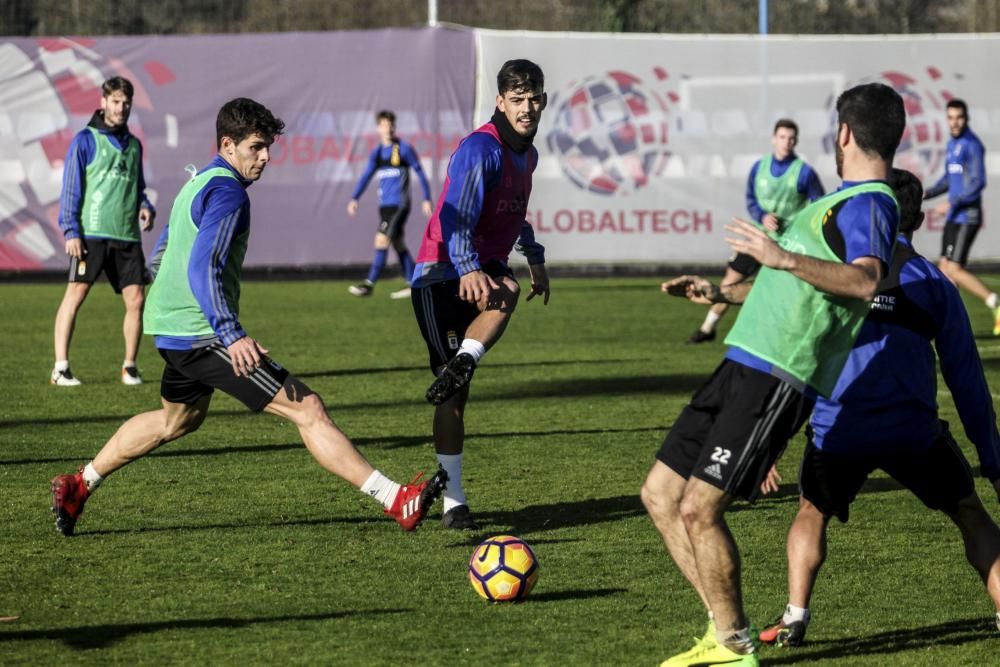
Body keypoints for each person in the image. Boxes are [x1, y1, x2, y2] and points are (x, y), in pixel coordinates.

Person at [49, 98, 446, 537]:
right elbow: (203, 267)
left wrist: (162, 298)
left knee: (175, 420)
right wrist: (231, 334)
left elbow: (163, 247)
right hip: (203, 334)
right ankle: (397, 500)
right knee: (308, 408)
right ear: (228, 144)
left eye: (269, 147)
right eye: (257, 147)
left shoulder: (201, 180)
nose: (266, 157)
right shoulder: (228, 192)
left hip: (172, 329)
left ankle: (79, 484)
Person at [643, 82, 905, 667]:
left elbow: (865, 279)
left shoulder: (869, 203)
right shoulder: (833, 204)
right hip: (742, 359)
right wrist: (722, 294)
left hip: (779, 374)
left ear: (843, 134)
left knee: (699, 509)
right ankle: (724, 632)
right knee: (660, 494)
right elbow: (795, 288)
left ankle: (734, 650)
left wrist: (780, 255)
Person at [757, 168, 1000, 647]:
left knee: (811, 509)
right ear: (920, 218)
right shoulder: (932, 282)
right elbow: (967, 379)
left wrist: (770, 445)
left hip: (838, 428)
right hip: (914, 433)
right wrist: (992, 458)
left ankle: (795, 617)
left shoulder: (835, 279)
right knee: (971, 513)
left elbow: (797, 362)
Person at [410, 59, 550, 530]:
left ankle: (466, 359)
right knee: (452, 401)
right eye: (517, 100)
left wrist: (534, 257)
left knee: (506, 288)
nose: (526, 108)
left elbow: (515, 214)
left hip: (479, 266)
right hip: (438, 272)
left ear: (543, 100)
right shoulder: (480, 149)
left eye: (533, 99)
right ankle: (454, 502)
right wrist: (467, 267)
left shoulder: (527, 155)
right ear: (500, 102)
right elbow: (454, 216)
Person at [51, 76, 156, 386]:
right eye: (115, 101)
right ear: (103, 102)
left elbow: (139, 187)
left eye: (126, 103)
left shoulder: (134, 145)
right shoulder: (85, 140)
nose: (121, 108)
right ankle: (60, 368)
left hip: (126, 235)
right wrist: (71, 230)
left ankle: (130, 367)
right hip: (92, 233)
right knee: (76, 294)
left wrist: (145, 205)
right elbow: (71, 187)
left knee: (137, 299)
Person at [686, 119, 824, 344]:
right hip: (758, 238)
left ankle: (785, 338)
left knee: (783, 293)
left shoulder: (804, 172)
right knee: (729, 283)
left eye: (791, 138)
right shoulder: (759, 167)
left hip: (787, 244)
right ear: (773, 139)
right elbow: (751, 200)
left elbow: (818, 206)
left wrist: (798, 225)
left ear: (796, 141)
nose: (786, 142)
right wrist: (762, 216)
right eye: (782, 137)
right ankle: (707, 328)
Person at [923, 99, 998, 335]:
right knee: (944, 269)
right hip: (954, 215)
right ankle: (951, 324)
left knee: (953, 269)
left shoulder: (971, 145)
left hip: (967, 216)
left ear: (966, 119)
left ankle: (995, 302)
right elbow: (947, 179)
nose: (955, 122)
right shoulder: (952, 144)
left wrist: (952, 202)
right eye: (951, 118)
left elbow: (978, 182)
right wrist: (924, 194)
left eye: (959, 117)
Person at [347, 110, 433, 300]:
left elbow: (419, 172)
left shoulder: (403, 148)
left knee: (381, 240)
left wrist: (426, 198)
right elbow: (366, 176)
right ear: (378, 128)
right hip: (385, 206)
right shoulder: (377, 152)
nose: (388, 128)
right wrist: (355, 198)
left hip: (399, 205)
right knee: (398, 242)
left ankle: (369, 284)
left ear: (395, 126)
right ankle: (414, 282)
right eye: (384, 125)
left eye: (391, 124)